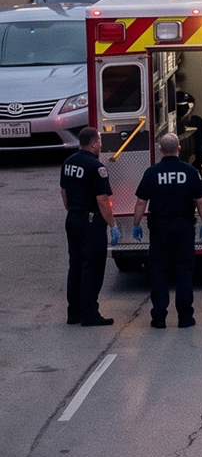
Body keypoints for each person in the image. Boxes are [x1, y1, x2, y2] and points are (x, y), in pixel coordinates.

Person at [131, 132, 202, 329]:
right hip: (184, 228)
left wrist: (136, 224)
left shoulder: (152, 172)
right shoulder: (190, 172)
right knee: (184, 270)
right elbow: (201, 201)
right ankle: (185, 317)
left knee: (158, 271)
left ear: (160, 150)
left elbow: (142, 201)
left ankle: (159, 317)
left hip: (160, 228)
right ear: (179, 149)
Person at [60, 125, 117, 326]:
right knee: (92, 268)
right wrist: (112, 225)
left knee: (75, 266)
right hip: (91, 221)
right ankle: (89, 313)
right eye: (100, 141)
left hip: (73, 218)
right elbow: (102, 200)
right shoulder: (96, 167)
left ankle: (73, 312)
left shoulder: (68, 163)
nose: (101, 144)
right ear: (93, 143)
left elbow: (64, 191)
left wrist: (73, 211)